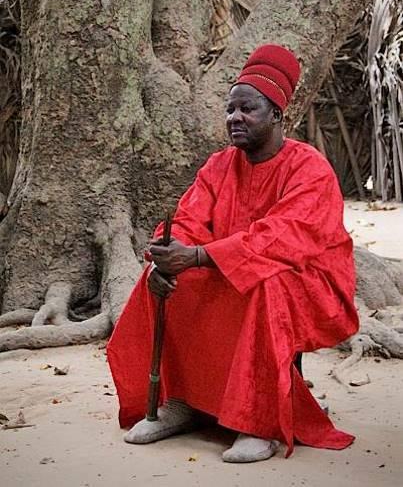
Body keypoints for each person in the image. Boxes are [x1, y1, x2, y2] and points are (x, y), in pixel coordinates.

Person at [107, 44, 359, 463]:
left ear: (276, 115)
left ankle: (258, 421)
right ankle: (183, 401)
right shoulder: (219, 166)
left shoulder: (310, 167)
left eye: (247, 109)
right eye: (230, 110)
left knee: (265, 283)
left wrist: (202, 256)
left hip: (308, 281)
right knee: (162, 280)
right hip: (229, 264)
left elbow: (284, 237)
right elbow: (188, 219)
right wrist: (168, 254)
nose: (234, 118)